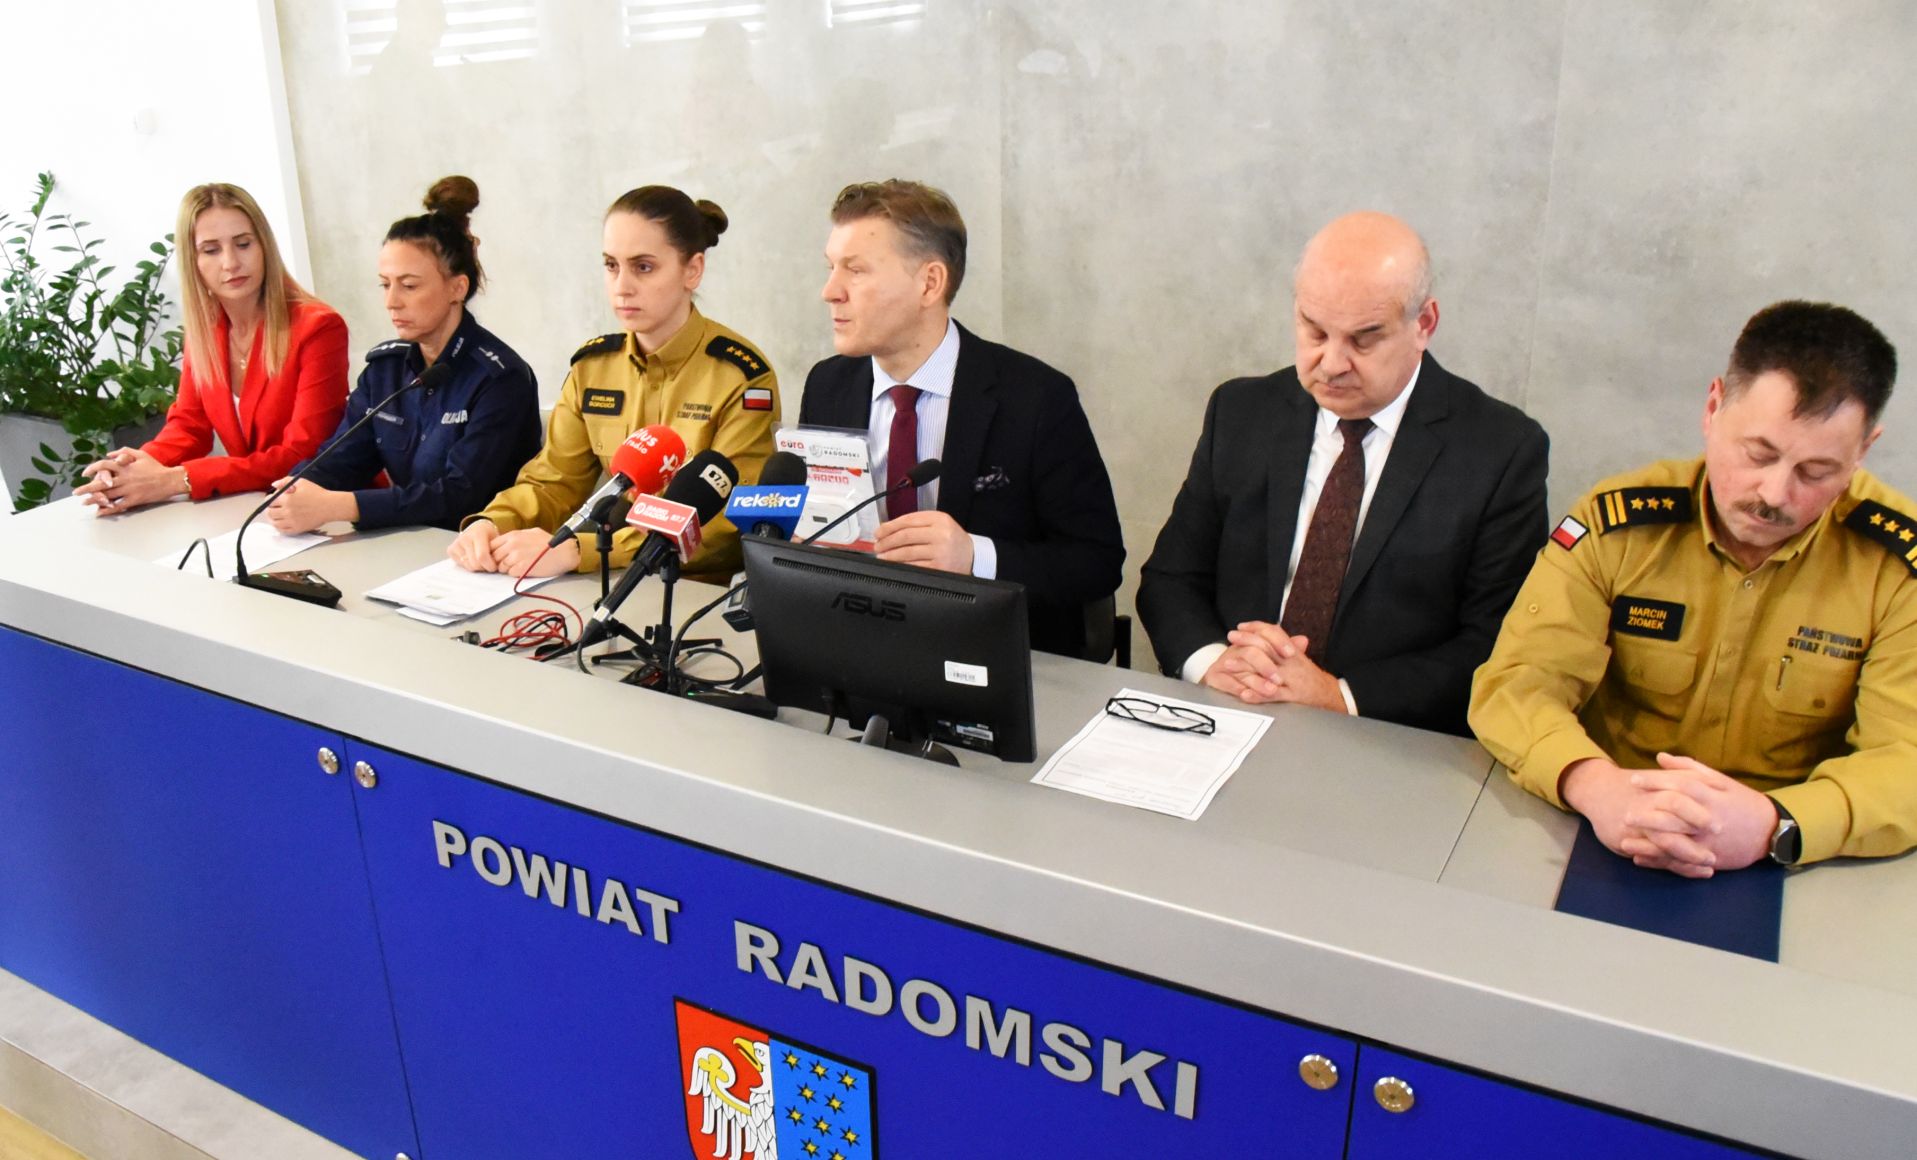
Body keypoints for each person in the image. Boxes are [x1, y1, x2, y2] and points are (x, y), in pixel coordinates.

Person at [1470, 300, 1916, 875]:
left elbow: (1905, 758)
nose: (1774, 493)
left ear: (1863, 451)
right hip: (1599, 825)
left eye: (1816, 471)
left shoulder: (1896, 566)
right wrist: (1593, 784)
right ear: (1712, 407)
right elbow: (1516, 684)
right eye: (1759, 453)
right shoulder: (1619, 526)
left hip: (1791, 858)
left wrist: (1776, 824)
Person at [1136, 212, 1548, 735]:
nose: (1331, 363)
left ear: (1424, 324)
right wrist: (1214, 663)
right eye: (1314, 331)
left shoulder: (1501, 450)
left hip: (1387, 736)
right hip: (1230, 713)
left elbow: (1496, 643)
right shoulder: (1241, 412)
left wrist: (1339, 696)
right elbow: (1171, 578)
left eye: (1364, 339)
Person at [798, 180, 1124, 659]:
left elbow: (1096, 561)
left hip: (990, 657)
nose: (830, 292)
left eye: (856, 270)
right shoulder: (828, 385)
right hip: (857, 650)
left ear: (930, 283)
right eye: (830, 268)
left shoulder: (1035, 397)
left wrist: (974, 556)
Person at [447, 186, 778, 581]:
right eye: (610, 265)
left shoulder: (741, 375)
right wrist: (492, 523)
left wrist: (582, 551)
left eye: (643, 267)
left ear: (692, 270)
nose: (622, 286)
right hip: (603, 578)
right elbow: (553, 482)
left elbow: (726, 523)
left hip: (695, 589)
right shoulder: (593, 367)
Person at [264, 177, 539, 534]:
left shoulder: (500, 378)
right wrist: (294, 488)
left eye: (409, 286)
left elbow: (460, 495)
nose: (391, 301)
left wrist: (342, 505)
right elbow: (344, 457)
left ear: (457, 287)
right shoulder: (385, 371)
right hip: (405, 544)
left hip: (480, 547)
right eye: (385, 284)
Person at [75, 184, 348, 511]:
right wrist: (131, 468)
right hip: (254, 509)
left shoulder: (318, 328)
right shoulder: (205, 329)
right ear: (193, 261)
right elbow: (189, 427)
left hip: (327, 506)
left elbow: (302, 454)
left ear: (264, 246)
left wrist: (178, 479)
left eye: (243, 244)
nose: (231, 263)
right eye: (211, 250)